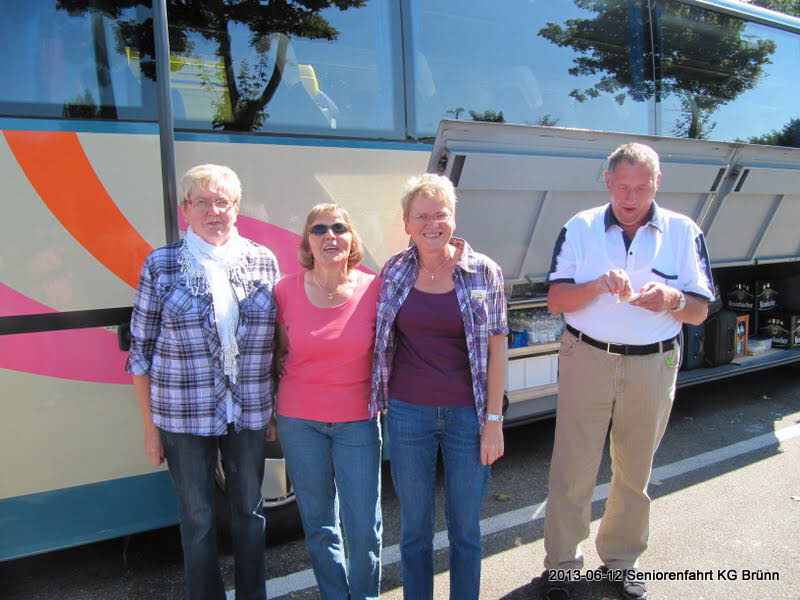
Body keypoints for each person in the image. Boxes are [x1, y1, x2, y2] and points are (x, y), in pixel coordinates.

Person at [541, 142, 714, 600]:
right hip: (587, 356)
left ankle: (620, 562)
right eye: (622, 187)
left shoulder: (684, 231)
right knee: (572, 468)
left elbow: (699, 311)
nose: (630, 198)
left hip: (653, 362)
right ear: (608, 182)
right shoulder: (580, 227)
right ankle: (561, 566)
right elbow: (556, 301)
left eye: (641, 187)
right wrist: (597, 285)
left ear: (658, 184)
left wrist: (672, 300)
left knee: (634, 471)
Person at [127, 164, 279, 600]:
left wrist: (272, 411)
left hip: (248, 411)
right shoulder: (161, 265)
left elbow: (275, 344)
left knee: (250, 512)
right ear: (185, 209)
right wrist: (150, 429)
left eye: (222, 202)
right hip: (182, 416)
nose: (214, 211)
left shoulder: (262, 259)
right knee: (197, 519)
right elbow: (140, 352)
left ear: (236, 208)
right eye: (202, 202)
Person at [371, 173, 508, 600]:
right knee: (414, 531)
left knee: (465, 530)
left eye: (441, 214)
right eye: (422, 216)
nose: (432, 224)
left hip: (468, 415)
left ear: (454, 218)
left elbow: (498, 347)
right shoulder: (395, 270)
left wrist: (494, 421)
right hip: (408, 414)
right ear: (407, 223)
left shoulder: (484, 271)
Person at [273, 203, 382, 600]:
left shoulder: (375, 288)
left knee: (363, 526)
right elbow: (278, 352)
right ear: (308, 241)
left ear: (351, 238)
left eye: (339, 227)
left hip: (357, 420)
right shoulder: (284, 290)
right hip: (299, 421)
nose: (329, 236)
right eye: (318, 229)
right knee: (319, 524)